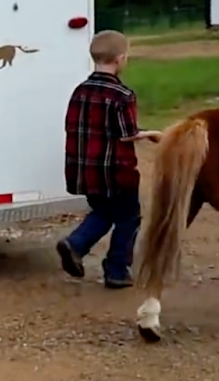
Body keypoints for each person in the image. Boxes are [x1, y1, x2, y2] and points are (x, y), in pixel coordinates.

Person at [55, 29, 160, 288]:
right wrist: (152, 134)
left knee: (103, 211)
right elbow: (127, 134)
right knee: (129, 217)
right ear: (120, 58)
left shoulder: (80, 91)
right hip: (116, 172)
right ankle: (116, 270)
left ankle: (75, 244)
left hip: (84, 171)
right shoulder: (122, 95)